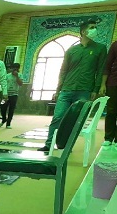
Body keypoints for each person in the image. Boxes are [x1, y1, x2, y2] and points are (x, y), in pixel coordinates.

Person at [39, 20, 107, 152]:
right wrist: (58, 89)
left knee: (75, 121)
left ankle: (66, 146)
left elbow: (100, 70)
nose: (95, 30)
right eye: (92, 27)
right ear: (83, 31)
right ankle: (49, 144)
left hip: (84, 90)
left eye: (95, 27)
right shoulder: (72, 50)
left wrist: (95, 89)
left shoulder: (100, 48)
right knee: (58, 117)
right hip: (66, 90)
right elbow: (63, 71)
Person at [100, 37, 117, 148]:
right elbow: (107, 65)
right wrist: (103, 84)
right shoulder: (116, 45)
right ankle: (108, 137)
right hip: (113, 83)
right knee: (111, 111)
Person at [0, 63, 23, 129]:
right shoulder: (7, 76)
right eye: (13, 68)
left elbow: (20, 84)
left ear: (18, 69)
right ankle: (4, 119)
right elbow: (3, 84)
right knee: (2, 107)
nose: (14, 69)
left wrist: (17, 76)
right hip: (6, 94)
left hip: (14, 95)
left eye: (16, 68)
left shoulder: (20, 75)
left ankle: (8, 123)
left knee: (11, 109)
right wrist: (3, 93)